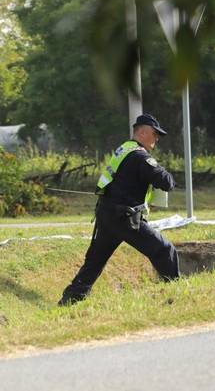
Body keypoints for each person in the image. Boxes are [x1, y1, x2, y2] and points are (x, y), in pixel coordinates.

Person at [58, 113, 179, 306]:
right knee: (165, 250)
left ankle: (69, 300)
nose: (157, 138)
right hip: (125, 218)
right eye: (155, 134)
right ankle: (176, 295)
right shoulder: (140, 156)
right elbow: (166, 182)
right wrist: (164, 172)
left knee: (95, 261)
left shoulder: (124, 149)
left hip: (107, 214)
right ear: (144, 132)